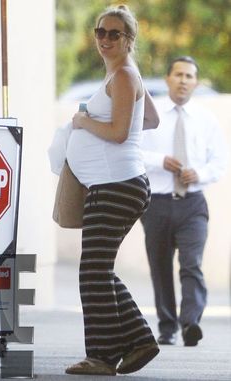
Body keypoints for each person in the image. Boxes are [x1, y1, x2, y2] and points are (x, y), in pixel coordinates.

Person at [64, 4, 160, 376]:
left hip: (116, 184)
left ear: (129, 39)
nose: (104, 38)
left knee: (92, 271)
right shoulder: (125, 75)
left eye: (114, 33)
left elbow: (120, 134)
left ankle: (102, 356)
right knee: (98, 270)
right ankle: (137, 340)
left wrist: (85, 121)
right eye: (100, 31)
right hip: (120, 183)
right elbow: (149, 118)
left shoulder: (122, 76)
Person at [141, 56, 228, 347]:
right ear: (167, 79)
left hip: (193, 204)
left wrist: (199, 173)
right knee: (161, 267)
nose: (183, 80)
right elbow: (132, 152)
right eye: (178, 74)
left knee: (192, 264)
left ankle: (191, 323)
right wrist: (159, 161)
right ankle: (167, 328)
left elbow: (219, 162)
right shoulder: (150, 115)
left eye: (189, 76)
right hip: (157, 203)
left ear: (196, 82)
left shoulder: (207, 120)